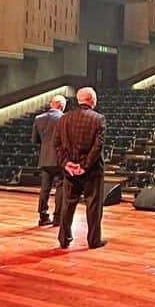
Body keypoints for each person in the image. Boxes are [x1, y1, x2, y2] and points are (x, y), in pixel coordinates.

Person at [53, 87, 106, 250]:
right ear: (92, 100)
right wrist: (84, 166)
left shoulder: (64, 118)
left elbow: (56, 144)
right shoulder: (98, 119)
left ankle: (64, 239)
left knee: (67, 205)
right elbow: (97, 147)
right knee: (93, 206)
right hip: (92, 172)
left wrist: (66, 164)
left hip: (69, 171)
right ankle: (93, 241)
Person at [32, 94, 66, 227]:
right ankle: (57, 217)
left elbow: (35, 140)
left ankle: (43, 216)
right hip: (59, 158)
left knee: (44, 189)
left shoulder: (38, 118)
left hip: (45, 158)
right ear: (60, 105)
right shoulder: (64, 118)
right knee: (60, 187)